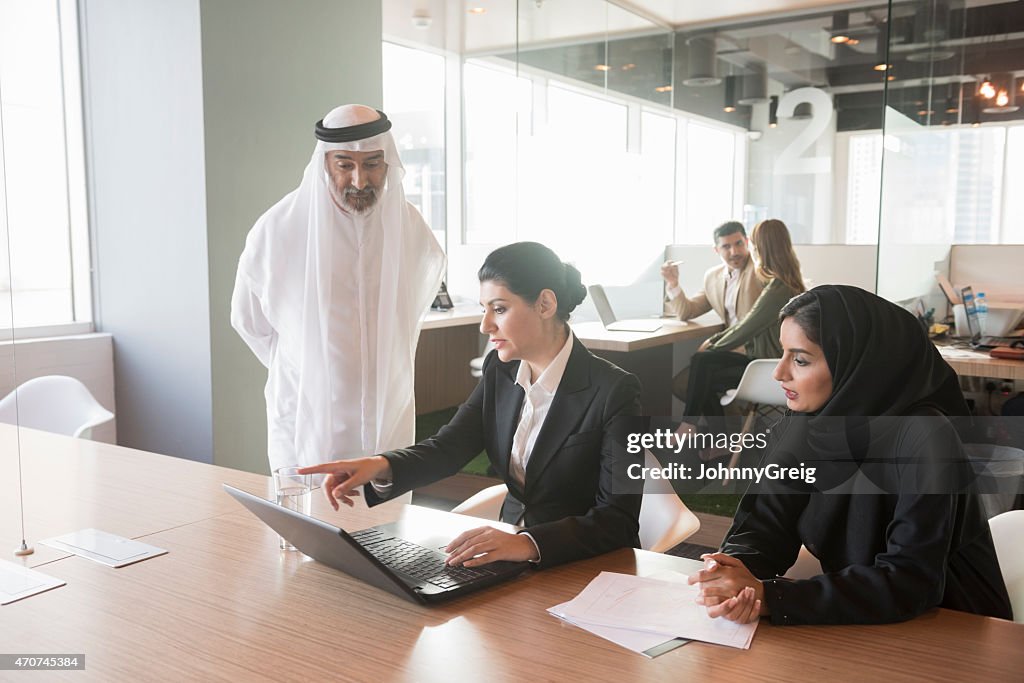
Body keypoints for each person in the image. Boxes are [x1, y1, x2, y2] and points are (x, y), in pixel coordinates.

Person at [299, 242, 644, 569]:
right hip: (504, 556)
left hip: (576, 564)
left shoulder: (615, 391)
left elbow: (618, 520)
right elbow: (450, 446)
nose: (485, 325)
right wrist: (380, 465)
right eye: (484, 309)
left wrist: (528, 543)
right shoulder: (501, 369)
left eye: (500, 308)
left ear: (545, 304)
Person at [688, 285, 1012, 625]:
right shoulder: (804, 425)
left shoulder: (926, 435)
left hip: (951, 623)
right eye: (782, 353)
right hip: (860, 612)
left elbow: (912, 581)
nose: (779, 372)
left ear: (854, 363)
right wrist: (731, 574)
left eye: (800, 359)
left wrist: (774, 596)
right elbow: (764, 529)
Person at [231, 105, 445, 474]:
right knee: (311, 524)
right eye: (345, 165)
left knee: (385, 527)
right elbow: (249, 321)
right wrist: (312, 364)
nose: (360, 180)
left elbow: (417, 302)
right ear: (325, 164)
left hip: (387, 420)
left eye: (372, 164)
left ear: (388, 163)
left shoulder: (409, 225)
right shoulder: (280, 229)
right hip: (306, 422)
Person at [682, 219, 805, 419]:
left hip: (768, 367)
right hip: (764, 360)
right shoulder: (785, 283)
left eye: (752, 246)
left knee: (702, 369)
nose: (750, 252)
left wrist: (712, 342)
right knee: (702, 365)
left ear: (762, 250)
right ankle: (700, 433)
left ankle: (696, 429)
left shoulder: (778, 288)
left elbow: (748, 326)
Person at [662, 221, 765, 403]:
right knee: (681, 385)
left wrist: (713, 343)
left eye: (739, 243)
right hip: (728, 351)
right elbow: (687, 311)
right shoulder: (713, 276)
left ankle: (705, 428)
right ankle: (722, 430)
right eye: (726, 246)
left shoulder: (761, 271)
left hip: (757, 354)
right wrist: (673, 283)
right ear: (716, 250)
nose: (734, 252)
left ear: (747, 242)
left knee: (699, 381)